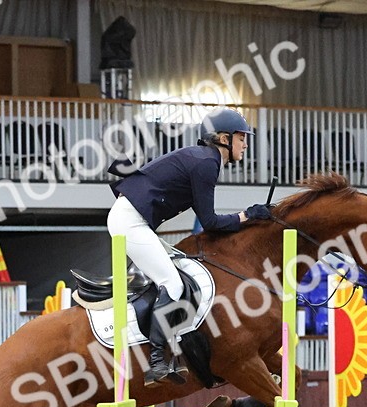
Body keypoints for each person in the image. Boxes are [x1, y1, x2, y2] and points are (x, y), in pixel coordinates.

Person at [108, 107, 273, 385]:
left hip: (135, 220)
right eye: (241, 137)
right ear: (223, 138)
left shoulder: (204, 159)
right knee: (172, 284)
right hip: (130, 222)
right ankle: (157, 361)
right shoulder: (207, 163)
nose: (245, 144)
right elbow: (209, 221)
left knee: (179, 273)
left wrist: (245, 217)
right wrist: (247, 216)